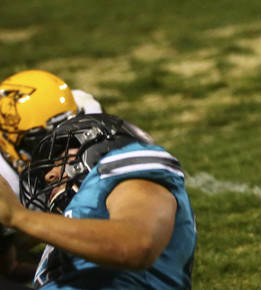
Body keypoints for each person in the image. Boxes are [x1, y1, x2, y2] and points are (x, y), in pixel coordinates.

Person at [0, 113, 196, 290]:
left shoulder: (127, 170)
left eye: (59, 159)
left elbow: (136, 243)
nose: (49, 176)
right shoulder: (82, 227)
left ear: (99, 147)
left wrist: (18, 216)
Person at [0, 71, 102, 285]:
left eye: (67, 137)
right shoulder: (4, 177)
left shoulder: (86, 108)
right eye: (41, 143)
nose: (59, 153)